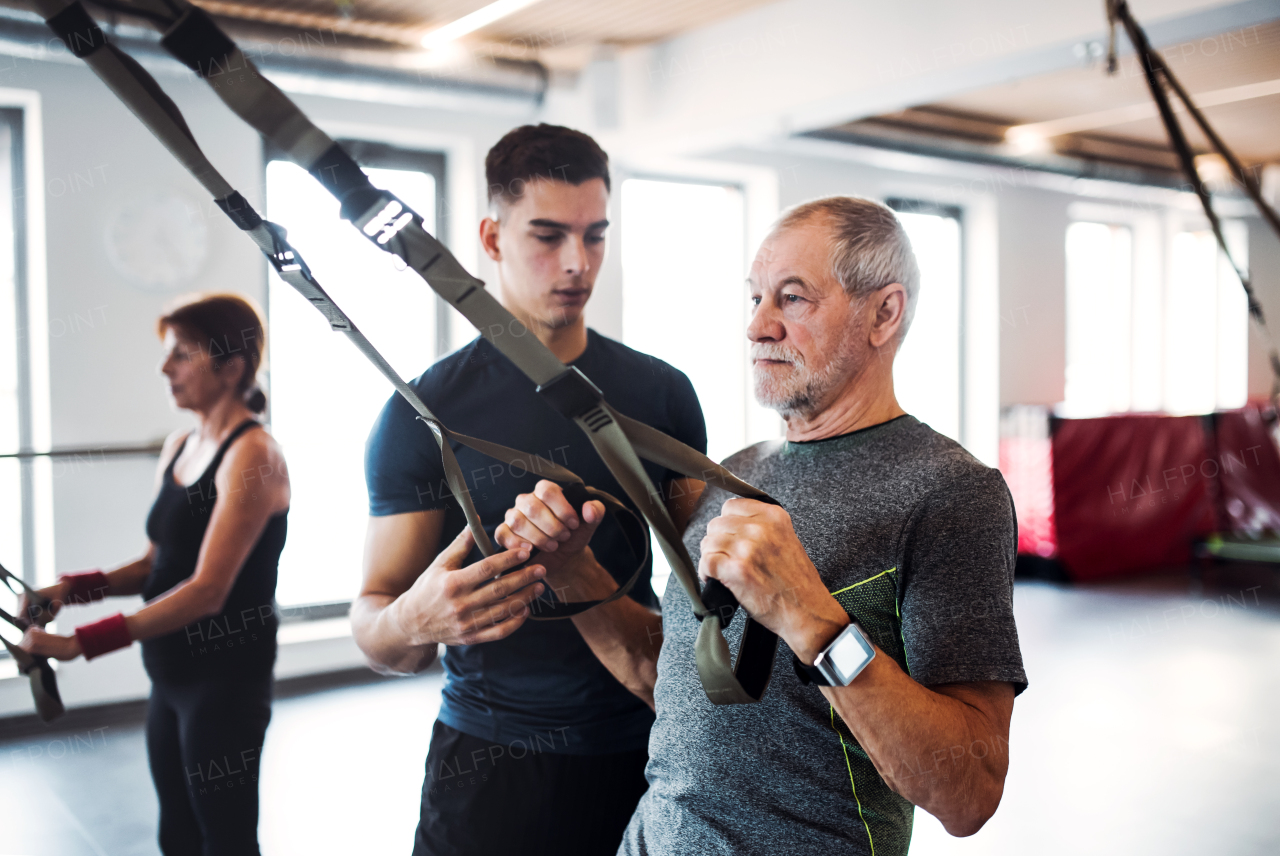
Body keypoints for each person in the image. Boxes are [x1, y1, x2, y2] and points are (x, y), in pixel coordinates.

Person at [495, 196, 1029, 856]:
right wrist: (575, 570)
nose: (757, 327)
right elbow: (667, 678)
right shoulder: (731, 475)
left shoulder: (951, 492)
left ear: (883, 313)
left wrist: (810, 616)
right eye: (754, 300)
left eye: (792, 299)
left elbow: (968, 791)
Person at [352, 124, 708, 856]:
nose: (577, 263)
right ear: (491, 236)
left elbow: (705, 604)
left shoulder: (662, 395)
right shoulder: (423, 414)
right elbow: (376, 625)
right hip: (487, 769)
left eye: (594, 236)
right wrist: (414, 620)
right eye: (547, 235)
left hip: (644, 755)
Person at [21, 294, 290, 856]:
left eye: (181, 355)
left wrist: (80, 643)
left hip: (225, 680)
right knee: (178, 833)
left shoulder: (254, 455)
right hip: (169, 673)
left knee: (227, 839)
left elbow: (207, 591)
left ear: (232, 367)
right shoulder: (182, 446)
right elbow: (155, 564)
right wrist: (69, 591)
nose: (165, 369)